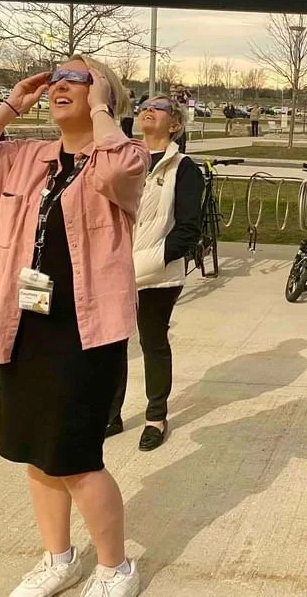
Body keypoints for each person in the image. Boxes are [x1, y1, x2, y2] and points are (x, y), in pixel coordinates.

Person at [0, 57, 148, 597]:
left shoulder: (120, 157)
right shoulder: (22, 158)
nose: (59, 86)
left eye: (76, 79)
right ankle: (59, 558)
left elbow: (120, 168)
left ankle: (115, 566)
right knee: (35, 450)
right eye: (56, 78)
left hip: (85, 329)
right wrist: (12, 103)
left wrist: (102, 108)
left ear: (103, 95)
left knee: (76, 457)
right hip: (23, 323)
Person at [108, 95, 204, 450]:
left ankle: (155, 416)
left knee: (152, 342)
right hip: (113, 268)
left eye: (159, 107)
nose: (148, 109)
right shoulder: (122, 160)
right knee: (113, 344)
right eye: (145, 105)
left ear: (175, 124)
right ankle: (110, 413)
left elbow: (188, 229)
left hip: (158, 274)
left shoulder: (184, 169)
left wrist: (144, 264)